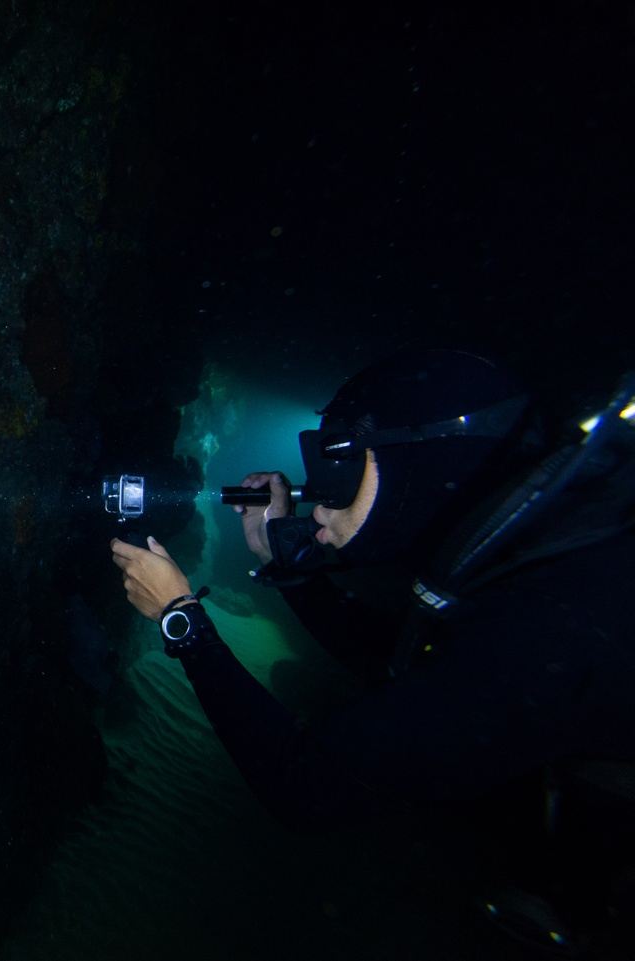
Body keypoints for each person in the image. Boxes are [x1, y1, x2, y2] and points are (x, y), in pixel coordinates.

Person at [109, 348, 635, 954]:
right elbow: (409, 669)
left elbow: (310, 788)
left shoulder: (557, 617)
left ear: (421, 460)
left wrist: (183, 624)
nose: (318, 502)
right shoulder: (536, 558)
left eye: (342, 467)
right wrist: (292, 565)